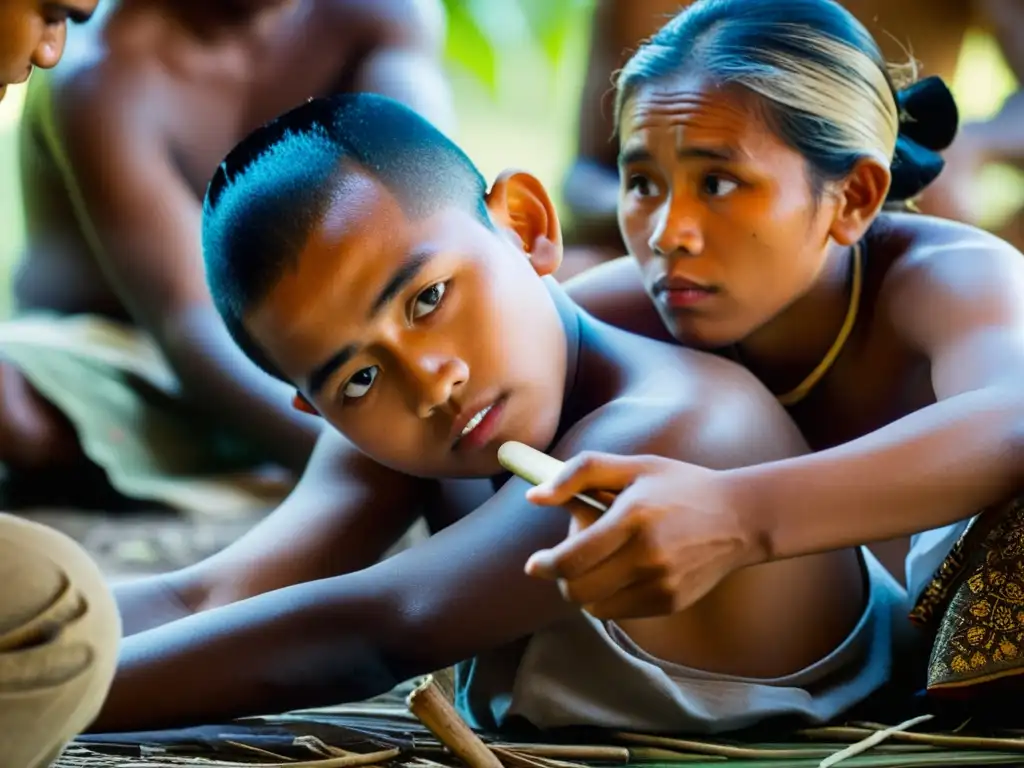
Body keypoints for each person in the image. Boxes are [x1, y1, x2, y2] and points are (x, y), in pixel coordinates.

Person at [87, 93, 909, 735]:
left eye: (429, 298)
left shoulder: (676, 430)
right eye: (358, 380)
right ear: (320, 409)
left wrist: (44, 694)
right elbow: (213, 596)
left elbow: (377, 629)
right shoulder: (410, 425)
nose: (428, 381)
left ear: (523, 226)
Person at [522, 0, 1024, 681]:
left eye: (718, 182)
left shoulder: (948, 276)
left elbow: (1014, 416)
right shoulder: (627, 303)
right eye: (642, 183)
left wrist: (738, 514)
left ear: (852, 199)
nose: (670, 233)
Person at [1, 0, 453, 512]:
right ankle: (295, 454)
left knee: (545, 289)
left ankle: (272, 453)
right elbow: (188, 322)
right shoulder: (100, 72)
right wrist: (391, 460)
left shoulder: (382, 17)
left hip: (320, 345)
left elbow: (434, 212)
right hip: (123, 359)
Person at [559, 0, 1024, 277]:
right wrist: (676, 198)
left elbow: (1000, 420)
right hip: (677, 265)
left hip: (894, 243)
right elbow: (585, 175)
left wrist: (974, 143)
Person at [0, 3, 121, 766]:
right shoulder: (110, 78)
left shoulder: (373, 20)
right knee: (63, 616)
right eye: (48, 11)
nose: (50, 52)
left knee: (59, 617)